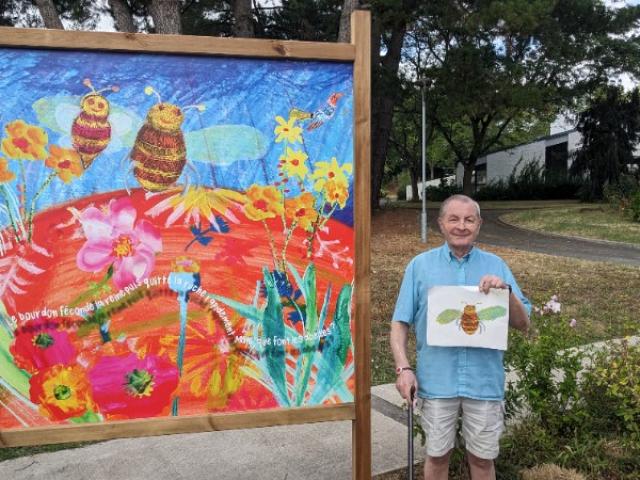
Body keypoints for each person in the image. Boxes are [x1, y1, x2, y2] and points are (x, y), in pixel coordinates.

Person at [390, 194, 530, 480]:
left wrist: (506, 293)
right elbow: (399, 323)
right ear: (441, 224)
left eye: (469, 220)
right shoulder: (420, 266)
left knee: (481, 461)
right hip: (436, 382)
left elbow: (523, 322)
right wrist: (403, 368)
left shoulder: (497, 266)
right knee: (437, 457)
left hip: (483, 382)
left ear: (478, 225)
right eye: (454, 219)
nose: (461, 226)